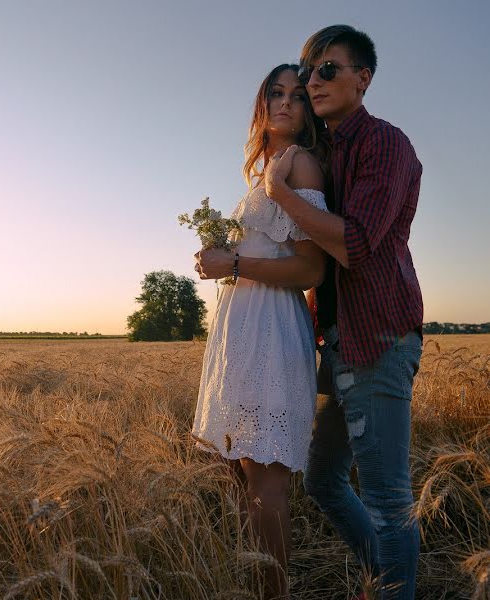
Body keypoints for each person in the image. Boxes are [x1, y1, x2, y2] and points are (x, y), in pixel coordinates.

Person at [265, 26, 423, 600]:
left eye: (329, 69)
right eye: (310, 73)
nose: (314, 81)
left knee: (387, 498)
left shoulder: (385, 144)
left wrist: (282, 195)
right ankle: (384, 579)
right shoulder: (324, 153)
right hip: (336, 340)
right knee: (324, 480)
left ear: (364, 78)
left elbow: (355, 245)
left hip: (378, 336)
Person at [192, 63, 331, 600]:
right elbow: (255, 251)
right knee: (239, 466)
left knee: (267, 482)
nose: (286, 102)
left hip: (272, 329)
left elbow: (310, 270)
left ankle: (274, 593)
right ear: (262, 103)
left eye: (298, 95)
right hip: (240, 330)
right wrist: (220, 260)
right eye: (276, 92)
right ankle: (258, 583)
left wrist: (233, 266)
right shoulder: (264, 170)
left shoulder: (300, 167)